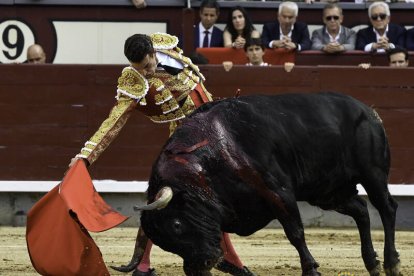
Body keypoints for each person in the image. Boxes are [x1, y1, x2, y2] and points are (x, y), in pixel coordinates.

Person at [69, 33, 254, 276]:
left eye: (147, 65)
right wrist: (86, 156)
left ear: (153, 52)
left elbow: (197, 87)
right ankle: (146, 262)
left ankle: (151, 263)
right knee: (173, 197)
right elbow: (113, 122)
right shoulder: (134, 80)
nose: (145, 72)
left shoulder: (165, 46)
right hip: (187, 141)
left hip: (211, 128)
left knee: (210, 195)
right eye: (140, 68)